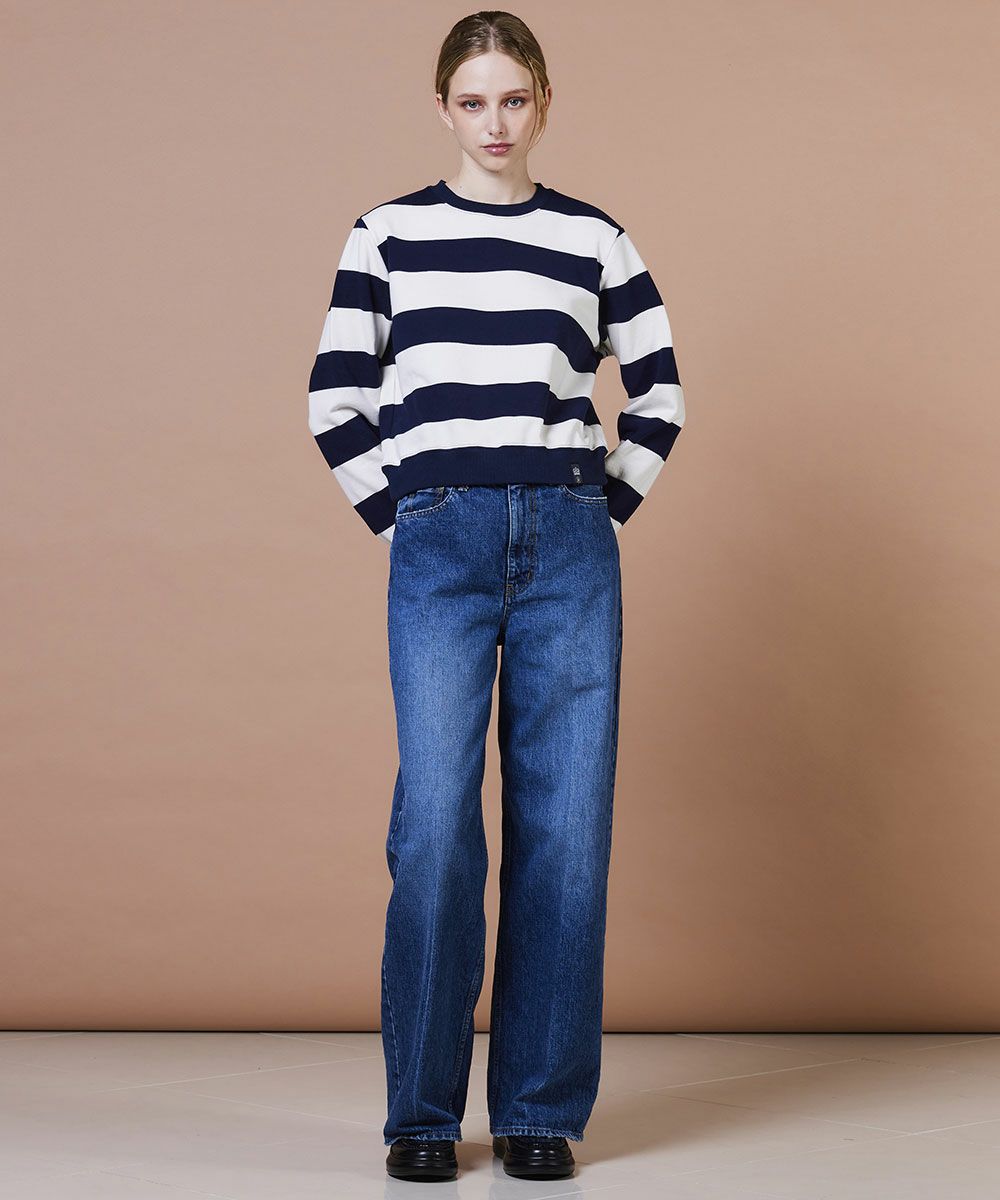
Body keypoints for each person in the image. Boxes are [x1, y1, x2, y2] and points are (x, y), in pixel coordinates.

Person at [307, 9, 685, 1184]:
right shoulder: (388, 233)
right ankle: (422, 1115)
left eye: (513, 99)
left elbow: (660, 394)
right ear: (441, 108)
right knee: (434, 824)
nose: (494, 123)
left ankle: (537, 1110)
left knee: (565, 831)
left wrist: (598, 511)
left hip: (568, 539)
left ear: (544, 102)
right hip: (442, 540)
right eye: (472, 102)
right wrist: (405, 517)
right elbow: (333, 397)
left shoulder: (592, 238)